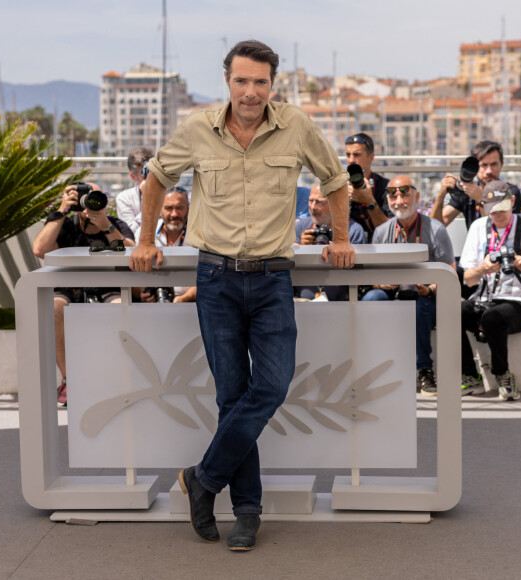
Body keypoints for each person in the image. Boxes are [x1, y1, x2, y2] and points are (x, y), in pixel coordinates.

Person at [129, 40, 354, 551]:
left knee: (271, 388)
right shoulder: (196, 129)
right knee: (232, 396)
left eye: (261, 82)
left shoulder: (296, 126)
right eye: (241, 81)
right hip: (215, 279)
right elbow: (156, 179)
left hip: (273, 278)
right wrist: (145, 241)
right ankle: (247, 512)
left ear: (274, 84)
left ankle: (202, 480)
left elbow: (336, 180)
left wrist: (340, 239)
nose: (250, 92)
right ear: (226, 80)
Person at [33, 183, 135, 406]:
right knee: (54, 306)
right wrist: (61, 211)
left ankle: (116, 380)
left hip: (107, 287)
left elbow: (132, 253)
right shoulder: (65, 225)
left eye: (95, 196)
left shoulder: (114, 225)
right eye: (84, 197)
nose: (90, 203)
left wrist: (106, 225)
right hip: (68, 287)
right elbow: (40, 250)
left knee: (121, 307)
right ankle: (70, 380)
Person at [361, 175, 456, 396]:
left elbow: (450, 273)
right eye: (393, 194)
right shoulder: (383, 231)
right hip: (390, 294)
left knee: (419, 306)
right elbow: (371, 274)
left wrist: (429, 288)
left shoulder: (435, 229)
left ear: (417, 197)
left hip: (425, 297)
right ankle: (372, 366)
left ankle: (424, 370)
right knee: (370, 300)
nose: (399, 200)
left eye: (405, 193)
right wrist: (380, 283)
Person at [459, 180, 521, 401]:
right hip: (484, 299)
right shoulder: (478, 227)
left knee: (492, 317)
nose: (497, 215)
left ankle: (502, 374)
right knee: (453, 313)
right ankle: (469, 375)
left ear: (512, 201)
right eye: (492, 210)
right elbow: (467, 280)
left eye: (502, 208)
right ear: (483, 206)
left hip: (518, 304)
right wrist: (482, 268)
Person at [294, 182, 365, 300]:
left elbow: (357, 269)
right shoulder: (301, 227)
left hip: (341, 303)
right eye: (310, 201)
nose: (312, 207)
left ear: (336, 204)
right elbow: (286, 255)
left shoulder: (353, 230)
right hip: (302, 302)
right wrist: (301, 247)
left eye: (319, 202)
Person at [430, 140, 521, 230]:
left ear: (501, 165)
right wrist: (441, 195)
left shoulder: (510, 192)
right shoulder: (467, 190)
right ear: (475, 167)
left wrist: (481, 199)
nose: (489, 171)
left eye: (494, 164)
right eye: (484, 165)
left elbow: (502, 231)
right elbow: (436, 226)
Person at [136, 186, 196, 303]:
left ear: (188, 209)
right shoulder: (145, 234)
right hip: (154, 302)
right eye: (168, 208)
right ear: (159, 210)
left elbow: (210, 277)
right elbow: (132, 269)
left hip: (192, 302)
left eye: (180, 208)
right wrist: (141, 293)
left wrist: (186, 298)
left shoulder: (199, 234)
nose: (174, 214)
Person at [345, 132, 392, 240]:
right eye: (348, 155)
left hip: (378, 247)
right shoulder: (339, 186)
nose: (351, 160)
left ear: (371, 157)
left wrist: (370, 202)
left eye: (357, 155)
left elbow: (390, 230)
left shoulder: (385, 186)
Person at [115, 146, 155, 237]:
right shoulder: (124, 198)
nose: (149, 175)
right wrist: (149, 200)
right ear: (133, 176)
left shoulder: (169, 194)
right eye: (143, 172)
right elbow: (130, 232)